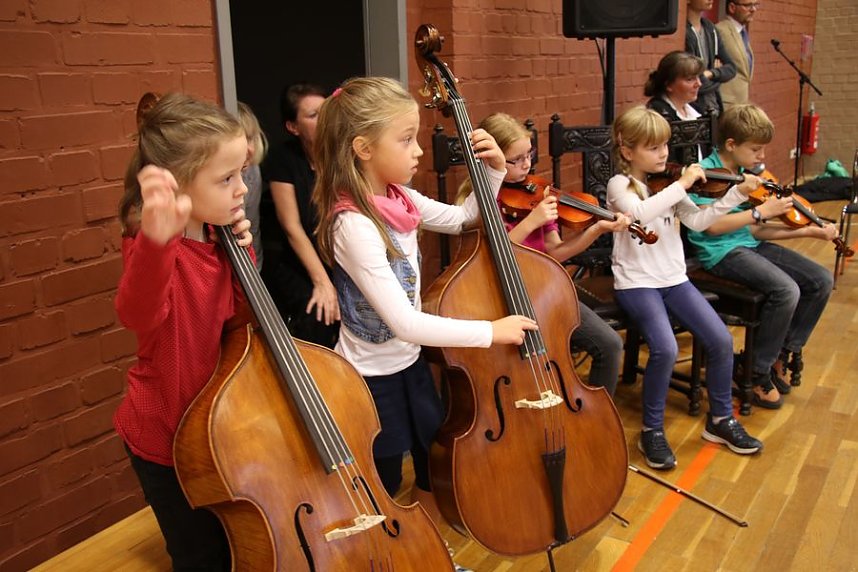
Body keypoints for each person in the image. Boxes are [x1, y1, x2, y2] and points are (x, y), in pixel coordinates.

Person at [312, 78, 538, 535]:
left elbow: (462, 219)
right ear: (363, 148)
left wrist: (492, 171)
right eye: (406, 139)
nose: (418, 150)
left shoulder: (400, 198)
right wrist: (490, 332)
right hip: (370, 381)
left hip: (410, 367)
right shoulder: (353, 226)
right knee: (385, 480)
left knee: (434, 463)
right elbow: (404, 322)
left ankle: (430, 554)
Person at [114, 93, 253, 570]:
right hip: (166, 434)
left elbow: (239, 320)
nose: (241, 190)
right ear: (179, 186)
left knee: (234, 540)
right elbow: (138, 313)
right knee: (200, 555)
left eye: (241, 174)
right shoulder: (155, 246)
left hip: (215, 422)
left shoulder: (218, 238)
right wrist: (156, 241)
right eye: (227, 178)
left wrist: (245, 258)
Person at [608, 105, 763, 470]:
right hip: (637, 283)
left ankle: (721, 420)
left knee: (721, 340)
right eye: (653, 147)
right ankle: (652, 430)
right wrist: (682, 185)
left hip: (674, 279)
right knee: (664, 347)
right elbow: (639, 215)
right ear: (628, 151)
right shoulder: (621, 186)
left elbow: (696, 221)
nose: (664, 154)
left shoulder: (670, 185)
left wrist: (735, 195)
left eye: (665, 145)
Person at [457, 112, 630, 396]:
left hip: (546, 290)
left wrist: (596, 229)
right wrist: (532, 222)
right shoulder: (479, 203)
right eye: (516, 159)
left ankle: (597, 420)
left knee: (609, 344)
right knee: (539, 360)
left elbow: (555, 252)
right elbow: (493, 256)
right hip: (505, 298)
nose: (527, 164)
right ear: (489, 159)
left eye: (529, 154)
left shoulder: (535, 194)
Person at [686, 104, 835, 409]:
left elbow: (756, 232)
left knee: (820, 279)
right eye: (756, 149)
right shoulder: (707, 174)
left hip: (746, 244)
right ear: (731, 144)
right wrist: (759, 212)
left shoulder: (743, 175)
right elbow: (712, 227)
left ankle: (781, 354)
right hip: (719, 253)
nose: (762, 157)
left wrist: (809, 232)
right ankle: (753, 371)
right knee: (786, 290)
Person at [261, 83, 340, 348]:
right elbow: (291, 226)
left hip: (338, 258)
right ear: (293, 127)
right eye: (313, 115)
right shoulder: (282, 159)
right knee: (317, 315)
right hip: (298, 262)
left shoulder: (343, 155)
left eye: (326, 111)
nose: (324, 119)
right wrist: (323, 282)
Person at [644, 51, 707, 163]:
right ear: (668, 85)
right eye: (690, 79)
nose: (699, 84)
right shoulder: (658, 114)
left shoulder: (698, 110)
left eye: (698, 77)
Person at [685, 0, 737, 117]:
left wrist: (711, 73)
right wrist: (718, 80)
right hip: (693, 109)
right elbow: (694, 81)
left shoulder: (710, 29)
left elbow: (732, 68)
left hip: (715, 105)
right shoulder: (685, 32)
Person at [237, 101, 267, 270]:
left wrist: (255, 272)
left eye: (251, 138)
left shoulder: (252, 172)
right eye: (242, 138)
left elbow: (252, 227)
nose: (250, 149)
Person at [717, 0, 759, 108]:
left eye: (755, 5)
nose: (753, 9)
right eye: (748, 5)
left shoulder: (742, 33)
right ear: (732, 7)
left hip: (741, 104)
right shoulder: (720, 30)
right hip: (725, 104)